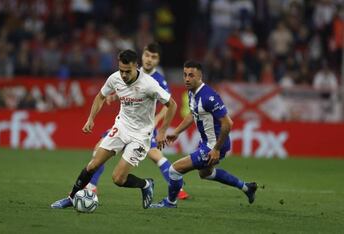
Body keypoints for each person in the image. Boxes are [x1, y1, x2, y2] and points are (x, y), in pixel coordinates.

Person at [51, 49, 177, 209]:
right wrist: (91, 119)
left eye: (128, 71)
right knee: (93, 164)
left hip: (140, 136)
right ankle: (71, 197)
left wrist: (163, 131)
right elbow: (100, 96)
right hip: (121, 128)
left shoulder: (149, 84)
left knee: (118, 179)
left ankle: (145, 184)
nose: (124, 75)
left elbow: (172, 104)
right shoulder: (115, 78)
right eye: (121, 70)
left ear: (136, 66)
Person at [86, 42, 190, 200]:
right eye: (147, 55)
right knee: (100, 147)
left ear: (158, 60)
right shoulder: (131, 71)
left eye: (153, 57)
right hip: (125, 124)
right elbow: (126, 89)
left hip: (144, 127)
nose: (149, 60)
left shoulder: (158, 80)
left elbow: (167, 105)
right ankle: (91, 186)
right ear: (141, 57)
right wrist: (114, 95)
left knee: (156, 155)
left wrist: (157, 122)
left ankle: (177, 187)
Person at [150, 61, 257, 208]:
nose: (187, 79)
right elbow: (192, 115)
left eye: (191, 75)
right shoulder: (192, 92)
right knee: (205, 173)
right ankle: (247, 187)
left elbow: (228, 123)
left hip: (214, 145)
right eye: (185, 75)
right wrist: (176, 132)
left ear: (200, 76)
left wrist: (216, 149)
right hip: (208, 143)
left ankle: (170, 202)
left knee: (174, 170)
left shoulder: (209, 97)